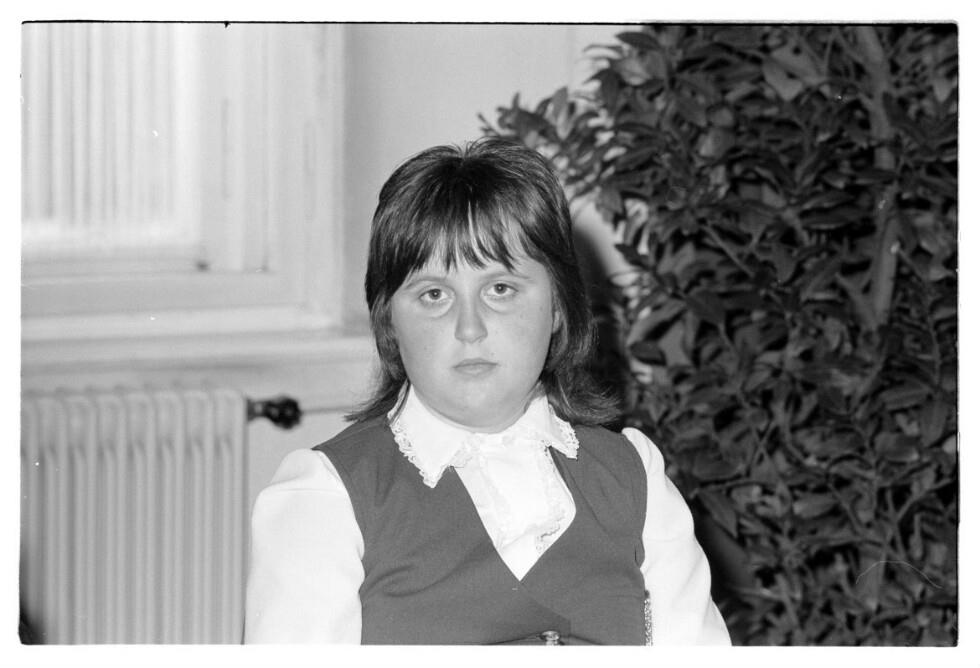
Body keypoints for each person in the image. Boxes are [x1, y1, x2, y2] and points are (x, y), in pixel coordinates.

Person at [243, 138, 731, 645]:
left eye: (500, 289)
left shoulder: (635, 479)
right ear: (389, 321)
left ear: (558, 306)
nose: (469, 328)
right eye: (434, 295)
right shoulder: (327, 498)